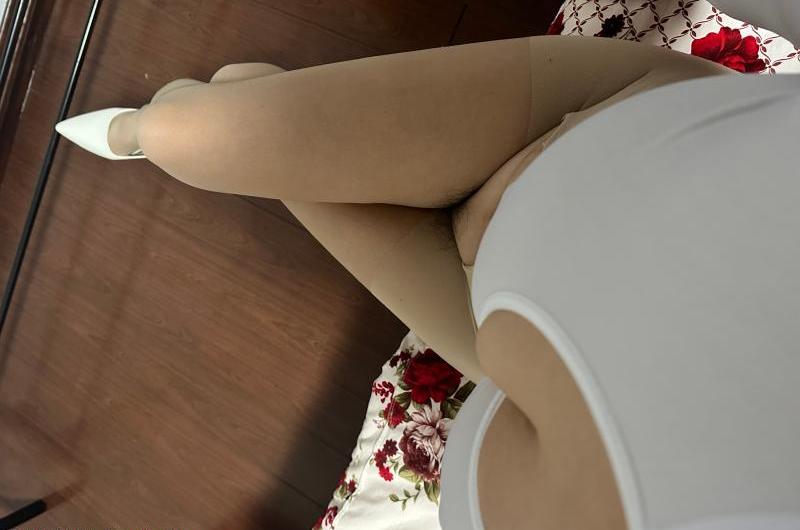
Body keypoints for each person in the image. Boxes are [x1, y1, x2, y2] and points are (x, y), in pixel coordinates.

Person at [55, 1, 800, 527]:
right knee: (208, 123)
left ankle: (158, 128)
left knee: (201, 125)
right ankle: (167, 125)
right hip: (602, 114)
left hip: (488, 306)